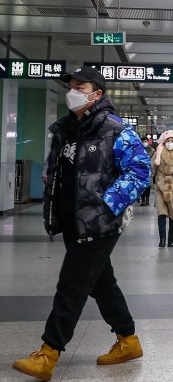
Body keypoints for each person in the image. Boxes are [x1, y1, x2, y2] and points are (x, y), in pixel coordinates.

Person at [13, 67, 151, 381]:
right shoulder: (66, 129)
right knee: (101, 283)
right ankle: (128, 341)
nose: (72, 92)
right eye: (71, 86)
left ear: (97, 94)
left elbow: (141, 171)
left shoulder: (115, 129)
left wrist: (107, 203)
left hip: (98, 222)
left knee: (71, 285)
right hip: (71, 219)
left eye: (80, 87)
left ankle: (49, 352)